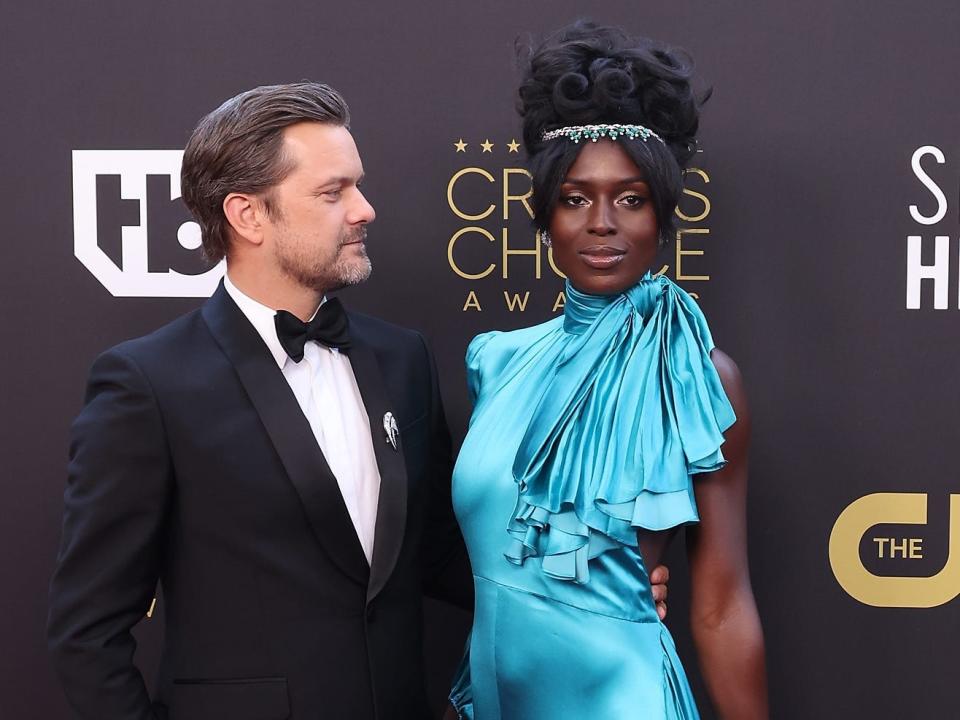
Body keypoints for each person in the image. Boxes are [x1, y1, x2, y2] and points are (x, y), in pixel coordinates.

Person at [47, 82, 671, 720]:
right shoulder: (148, 384)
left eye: (358, 185)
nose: (365, 209)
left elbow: (437, 552)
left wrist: (588, 582)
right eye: (332, 191)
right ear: (247, 215)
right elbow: (87, 634)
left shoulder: (402, 358)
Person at [449, 22, 767, 719]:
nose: (602, 222)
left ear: (663, 213)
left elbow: (721, 604)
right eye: (574, 198)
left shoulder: (697, 373)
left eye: (630, 198)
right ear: (544, 215)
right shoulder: (495, 360)